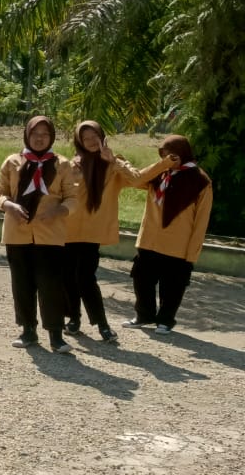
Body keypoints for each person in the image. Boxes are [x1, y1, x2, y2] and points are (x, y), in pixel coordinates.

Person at [63, 121, 177, 343]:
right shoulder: (71, 165)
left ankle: (102, 325)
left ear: (102, 136)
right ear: (79, 142)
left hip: (91, 234)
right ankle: (74, 320)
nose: (91, 141)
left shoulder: (115, 165)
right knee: (68, 278)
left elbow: (137, 179)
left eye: (94, 136)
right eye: (85, 138)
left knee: (86, 278)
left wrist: (113, 161)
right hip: (66, 229)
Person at [0, 116, 78, 353]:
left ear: (51, 136)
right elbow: (0, 193)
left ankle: (56, 335)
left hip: (50, 235)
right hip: (17, 233)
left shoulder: (62, 165)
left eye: (44, 134)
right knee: (22, 284)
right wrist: (8, 205)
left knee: (50, 284)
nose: (39, 138)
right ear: (27, 135)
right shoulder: (13, 161)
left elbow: (73, 198)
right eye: (35, 134)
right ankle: (28, 331)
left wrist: (59, 210)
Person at [121, 135, 213, 335]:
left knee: (172, 286)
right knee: (141, 279)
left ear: (184, 153)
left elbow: (201, 221)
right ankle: (144, 315)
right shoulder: (159, 174)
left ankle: (165, 320)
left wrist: (192, 254)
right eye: (163, 155)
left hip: (178, 246)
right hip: (149, 241)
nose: (169, 159)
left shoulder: (200, 181)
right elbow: (136, 180)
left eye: (173, 155)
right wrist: (161, 165)